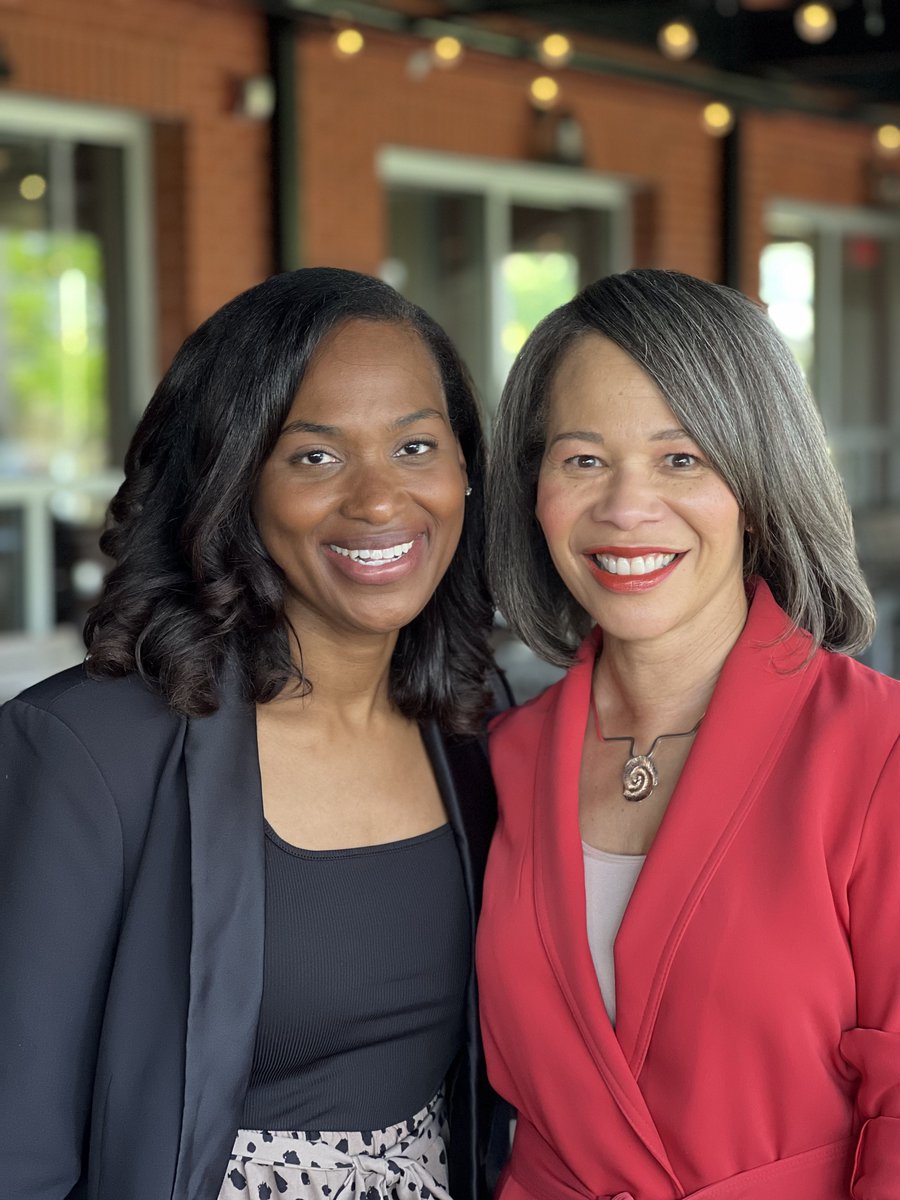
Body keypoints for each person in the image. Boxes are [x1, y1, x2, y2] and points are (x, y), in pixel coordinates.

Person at [0, 267, 504, 1200]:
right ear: (235, 480)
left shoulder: (481, 728)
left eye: (415, 447)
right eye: (315, 456)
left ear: (466, 468)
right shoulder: (85, 752)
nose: (380, 500)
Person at [476, 268, 900, 1200]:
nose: (627, 509)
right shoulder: (502, 759)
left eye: (683, 459)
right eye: (583, 460)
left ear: (760, 479)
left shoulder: (880, 753)